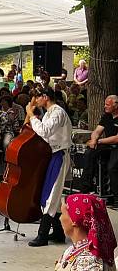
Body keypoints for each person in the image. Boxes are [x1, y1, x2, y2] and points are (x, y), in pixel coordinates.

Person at [27, 88, 74, 247]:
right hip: (52, 155)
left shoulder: (57, 113)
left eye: (37, 97)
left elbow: (44, 131)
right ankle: (59, 233)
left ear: (45, 97)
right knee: (50, 194)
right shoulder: (49, 113)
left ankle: (43, 235)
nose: (36, 100)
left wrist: (32, 115)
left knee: (51, 194)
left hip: (59, 154)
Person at [55, 194, 117, 271]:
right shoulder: (75, 249)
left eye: (63, 214)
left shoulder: (89, 262)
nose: (60, 218)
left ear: (74, 220)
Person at [81, 96, 118, 199]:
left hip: (116, 145)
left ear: (116, 105)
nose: (105, 106)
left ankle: (115, 195)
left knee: (112, 167)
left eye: (108, 105)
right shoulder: (106, 116)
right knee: (90, 152)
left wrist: (99, 140)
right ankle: (86, 187)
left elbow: (116, 138)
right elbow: (97, 131)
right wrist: (93, 140)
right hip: (107, 145)